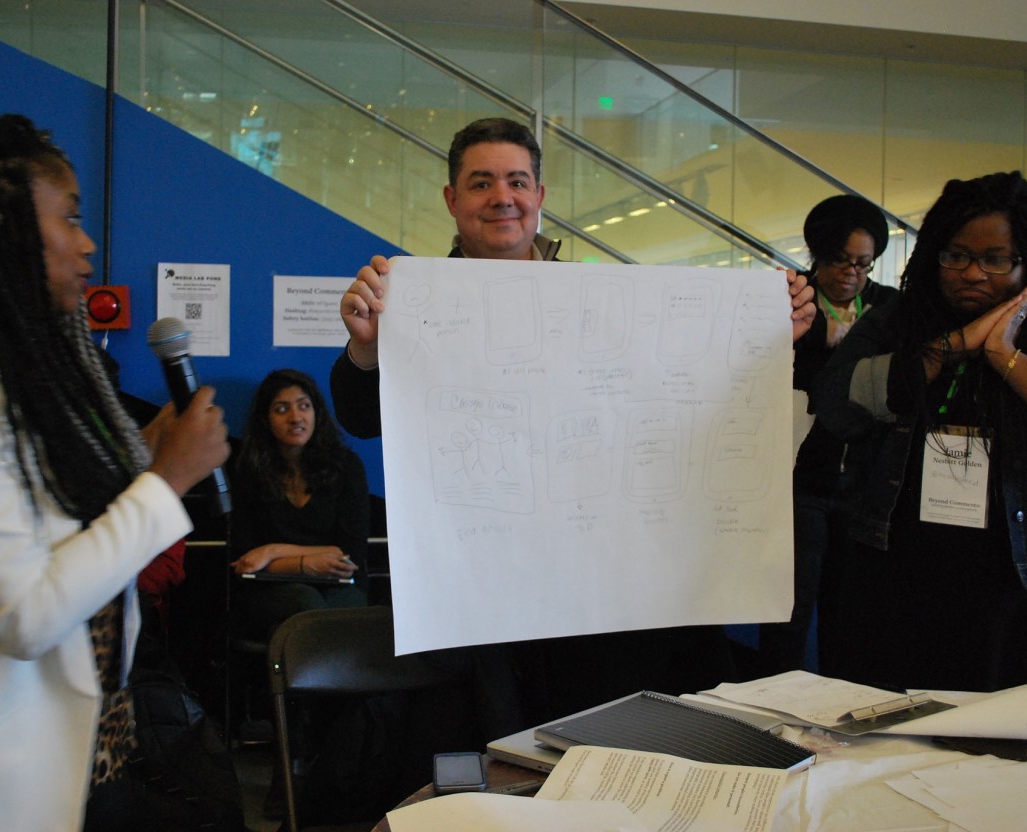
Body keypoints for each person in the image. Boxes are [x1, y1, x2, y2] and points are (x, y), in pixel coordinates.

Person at [328, 116, 818, 726]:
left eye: (517, 181)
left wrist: (768, 332)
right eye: (481, 183)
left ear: (539, 197)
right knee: (512, 752)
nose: (501, 197)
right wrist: (367, 348)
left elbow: (684, 395)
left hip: (613, 586)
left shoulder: (606, 298)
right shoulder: (410, 301)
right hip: (491, 593)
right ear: (452, 200)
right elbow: (358, 417)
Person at [0, 112, 230, 831]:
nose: (87, 244)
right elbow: (23, 611)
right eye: (69, 218)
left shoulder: (13, 358)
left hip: (87, 746)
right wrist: (165, 481)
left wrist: (144, 457)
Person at [812, 170, 1027, 693]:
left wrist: (1005, 356)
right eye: (955, 255)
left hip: (1025, 596)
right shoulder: (895, 323)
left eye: (996, 259)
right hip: (897, 585)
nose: (971, 273)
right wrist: (950, 347)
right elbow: (835, 404)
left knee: (1018, 758)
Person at [756, 194, 898, 675]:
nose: (853, 274)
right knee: (788, 607)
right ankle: (772, 700)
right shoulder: (792, 301)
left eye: (864, 263)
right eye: (842, 261)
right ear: (819, 255)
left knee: (850, 608)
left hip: (861, 484)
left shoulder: (886, 309)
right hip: (798, 481)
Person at [229, 369, 368, 640]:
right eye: (282, 409)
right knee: (305, 600)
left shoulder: (346, 466)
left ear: (316, 412)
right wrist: (311, 561)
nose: (295, 418)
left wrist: (271, 552)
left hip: (340, 585)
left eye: (304, 406)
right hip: (269, 591)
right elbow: (246, 560)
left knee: (344, 606)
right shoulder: (248, 471)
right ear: (266, 419)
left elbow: (348, 555)